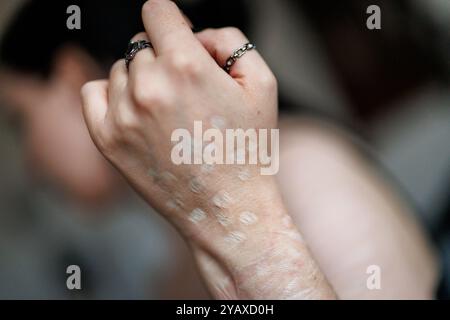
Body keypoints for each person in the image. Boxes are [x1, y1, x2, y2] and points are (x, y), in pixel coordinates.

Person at [80, 0, 439, 299]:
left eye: (25, 117)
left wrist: (232, 208)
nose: (32, 158)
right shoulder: (181, 232)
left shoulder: (307, 174)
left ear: (71, 74)